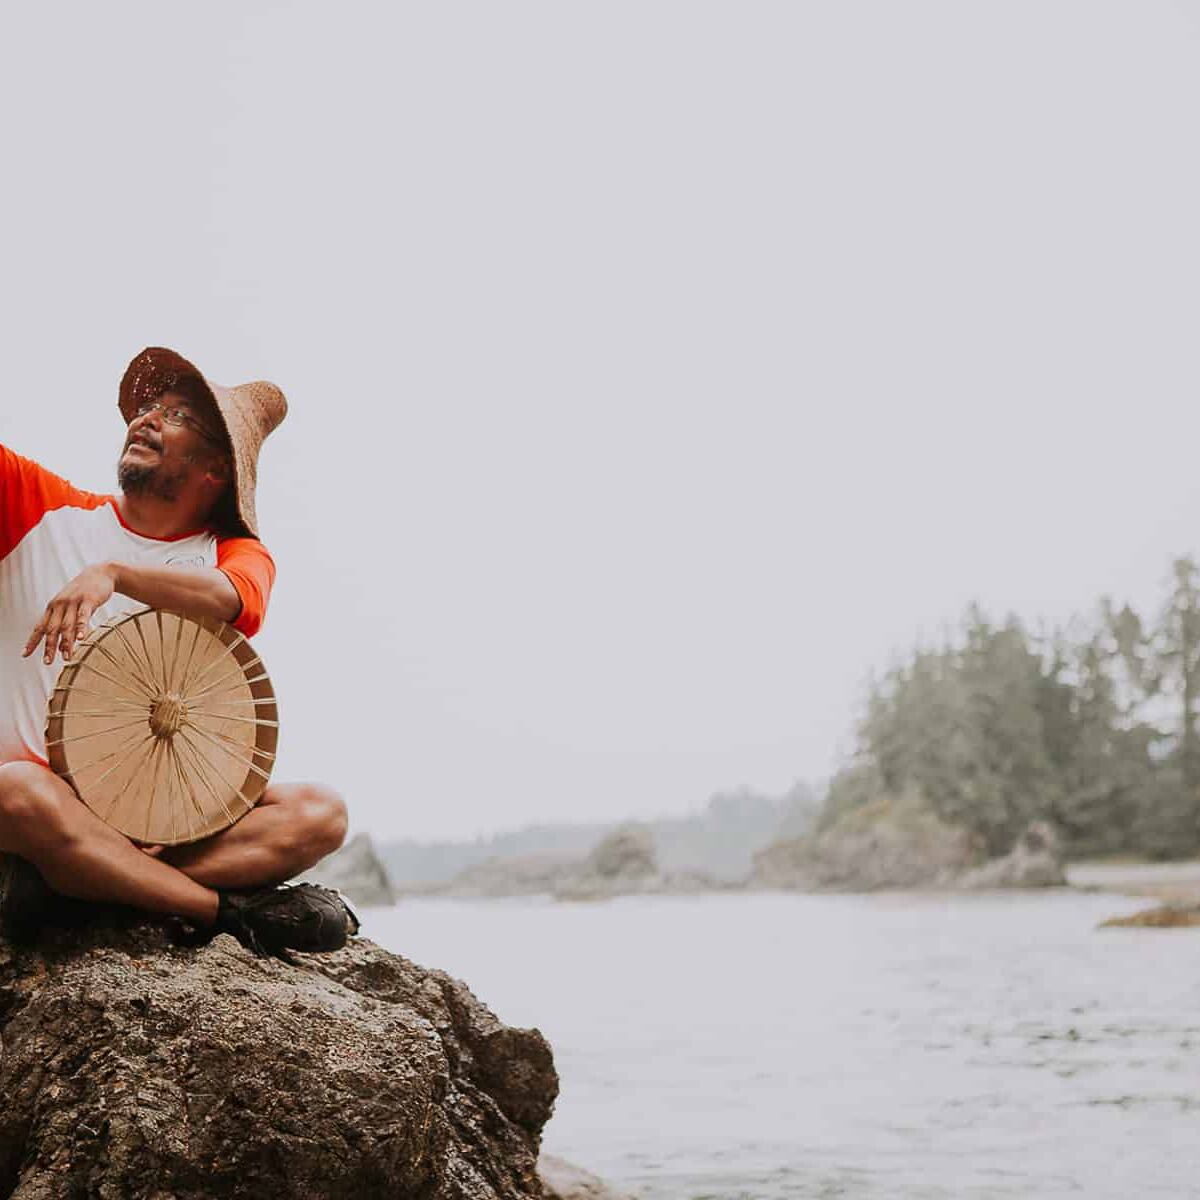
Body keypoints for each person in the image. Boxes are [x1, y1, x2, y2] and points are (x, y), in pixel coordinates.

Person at [0, 347, 356, 956]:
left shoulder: (233, 552)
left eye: (176, 416)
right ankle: (222, 912)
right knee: (18, 791)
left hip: (162, 824)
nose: (146, 419)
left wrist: (115, 575)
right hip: (41, 807)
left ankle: (88, 886)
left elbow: (234, 598)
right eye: (148, 408)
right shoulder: (39, 506)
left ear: (216, 467)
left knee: (321, 813)